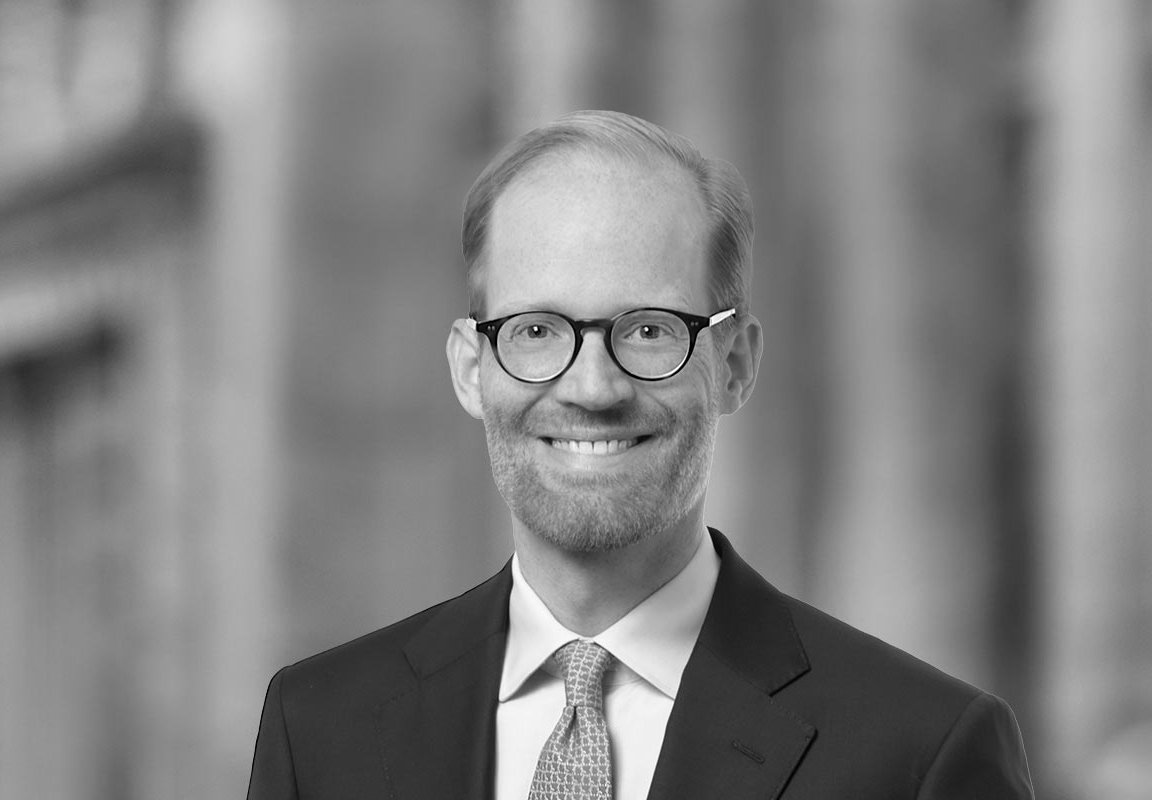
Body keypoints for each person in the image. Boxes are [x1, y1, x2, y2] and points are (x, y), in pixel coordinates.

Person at [247, 110, 1034, 799]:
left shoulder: (919, 753)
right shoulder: (318, 728)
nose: (592, 387)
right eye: (536, 330)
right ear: (470, 368)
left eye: (650, 330)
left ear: (735, 363)